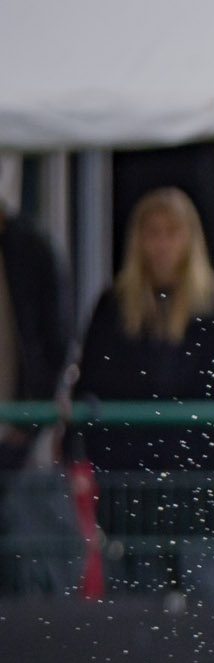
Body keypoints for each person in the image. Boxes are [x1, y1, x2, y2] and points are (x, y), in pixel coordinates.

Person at [72, 187, 214, 599]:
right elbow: (90, 385)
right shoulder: (115, 307)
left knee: (202, 593)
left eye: (172, 233)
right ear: (138, 240)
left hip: (199, 483)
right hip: (132, 484)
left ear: (190, 239)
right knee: (135, 596)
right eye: (153, 233)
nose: (161, 245)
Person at [0, 203, 72, 594]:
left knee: (22, 554)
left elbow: (54, 341)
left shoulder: (29, 249)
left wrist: (30, 420)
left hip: (17, 440)